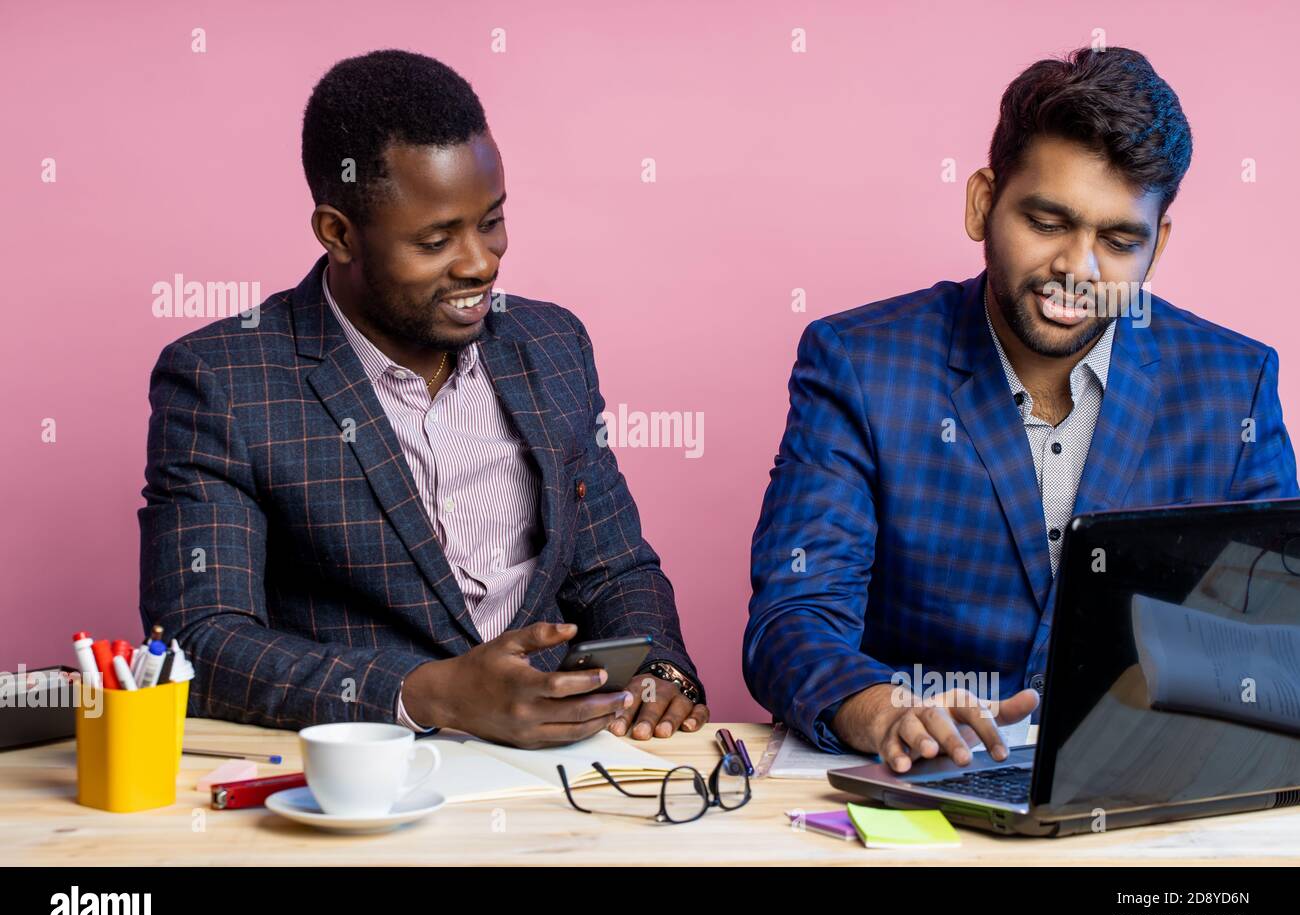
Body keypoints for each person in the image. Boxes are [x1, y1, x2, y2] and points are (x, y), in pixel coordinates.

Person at [743, 47, 1297, 765]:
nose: (1079, 267)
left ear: (1156, 247)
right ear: (982, 204)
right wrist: (880, 711)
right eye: (1047, 222)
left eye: (1119, 239)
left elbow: (1278, 637)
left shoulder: (1234, 384)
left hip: (1146, 784)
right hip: (925, 778)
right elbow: (794, 616)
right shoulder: (860, 364)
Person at [140, 50, 707, 747]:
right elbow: (200, 644)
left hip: (564, 771)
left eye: (491, 221)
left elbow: (614, 568)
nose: (480, 261)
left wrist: (657, 668)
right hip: (361, 779)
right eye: (436, 239)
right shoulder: (223, 380)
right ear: (339, 233)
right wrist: (430, 695)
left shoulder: (552, 344)